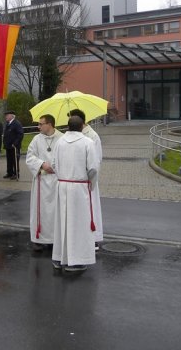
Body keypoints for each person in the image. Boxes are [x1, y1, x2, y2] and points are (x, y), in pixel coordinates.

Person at [51, 115, 98, 273]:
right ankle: (76, 261)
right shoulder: (88, 143)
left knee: (62, 224)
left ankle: (58, 258)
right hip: (78, 189)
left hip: (62, 185)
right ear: (82, 126)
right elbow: (93, 168)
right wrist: (89, 183)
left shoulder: (59, 142)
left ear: (68, 127)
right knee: (77, 225)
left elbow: (53, 164)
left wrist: (63, 175)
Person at [25, 114, 62, 252]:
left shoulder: (62, 139)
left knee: (56, 211)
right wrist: (41, 164)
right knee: (40, 211)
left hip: (57, 181)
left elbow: (67, 157)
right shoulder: (36, 139)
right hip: (42, 180)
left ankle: (55, 239)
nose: (38, 126)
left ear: (50, 124)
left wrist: (56, 166)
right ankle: (38, 239)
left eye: (41, 124)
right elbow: (29, 157)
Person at [68, 109, 104, 247]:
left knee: (90, 210)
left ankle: (92, 240)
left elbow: (96, 161)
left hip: (87, 181)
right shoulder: (73, 136)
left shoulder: (92, 137)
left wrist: (89, 180)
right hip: (75, 181)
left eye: (72, 119)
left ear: (80, 121)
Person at [2, 110, 24, 180]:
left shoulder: (17, 123)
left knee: (15, 160)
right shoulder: (8, 123)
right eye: (6, 115)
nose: (6, 116)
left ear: (12, 116)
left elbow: (20, 134)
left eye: (7, 115)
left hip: (14, 146)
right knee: (9, 160)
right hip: (8, 145)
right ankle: (9, 172)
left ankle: (16, 174)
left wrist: (15, 143)